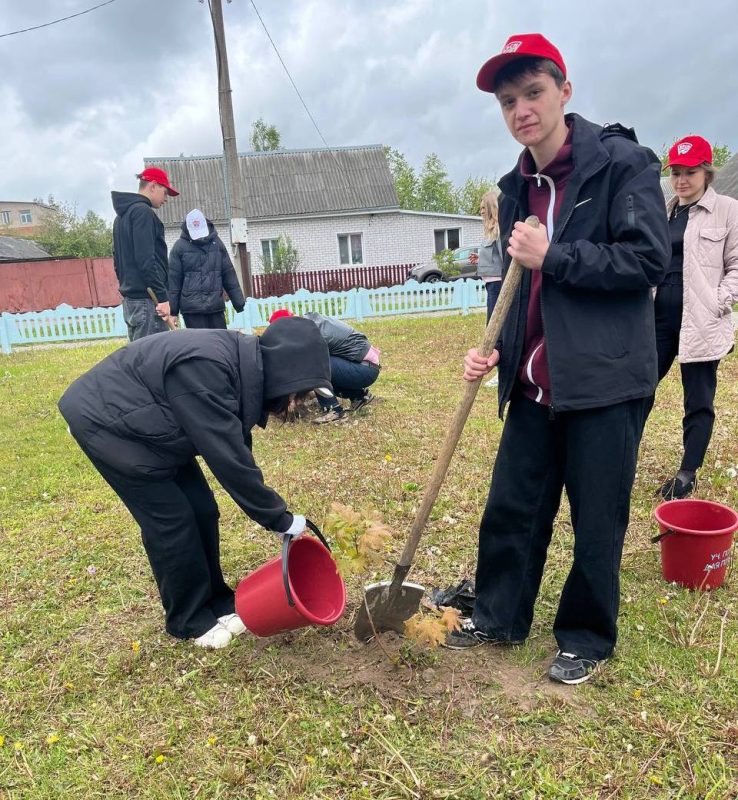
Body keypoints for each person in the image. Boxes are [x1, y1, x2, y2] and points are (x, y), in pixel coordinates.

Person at [445, 33, 670, 685]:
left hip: (605, 383)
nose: (521, 110)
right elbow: (522, 292)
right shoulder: (515, 188)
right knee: (512, 505)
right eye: (508, 100)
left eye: (533, 93)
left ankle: (587, 636)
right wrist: (494, 351)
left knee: (596, 516)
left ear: (564, 91)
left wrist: (558, 256)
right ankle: (498, 613)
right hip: (536, 385)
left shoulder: (622, 165)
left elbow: (648, 260)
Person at [58, 317, 333, 649]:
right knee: (172, 521)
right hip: (108, 424)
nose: (294, 404)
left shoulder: (238, 365)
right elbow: (226, 456)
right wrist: (278, 518)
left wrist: (274, 515)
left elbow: (233, 443)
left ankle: (217, 600)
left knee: (202, 509)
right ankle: (188, 620)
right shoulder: (206, 368)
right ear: (285, 372)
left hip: (152, 425)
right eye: (296, 396)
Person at [644, 136, 738, 499]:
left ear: (707, 172)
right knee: (640, 384)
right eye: (678, 173)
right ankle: (620, 453)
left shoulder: (728, 210)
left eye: (691, 172)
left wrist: (720, 300)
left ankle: (687, 471)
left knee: (698, 395)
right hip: (658, 312)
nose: (682, 180)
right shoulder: (665, 211)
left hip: (701, 314)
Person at [268, 309, 381, 424]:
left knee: (315, 368)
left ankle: (334, 411)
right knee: (318, 367)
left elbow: (306, 370)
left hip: (364, 370)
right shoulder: (309, 322)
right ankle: (358, 397)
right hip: (364, 366)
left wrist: (291, 398)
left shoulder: (308, 332)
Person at [112, 166, 179, 340]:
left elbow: (117, 262)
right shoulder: (143, 213)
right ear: (153, 186)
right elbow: (146, 260)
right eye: (165, 193)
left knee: (140, 359)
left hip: (132, 301)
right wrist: (162, 297)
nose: (166, 199)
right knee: (153, 361)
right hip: (148, 302)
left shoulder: (121, 217)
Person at [168, 209, 246, 330]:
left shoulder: (217, 244)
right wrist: (173, 311)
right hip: (192, 310)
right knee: (199, 345)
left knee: (220, 343)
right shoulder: (179, 248)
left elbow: (228, 273)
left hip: (215, 306)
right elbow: (174, 281)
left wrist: (239, 302)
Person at [474, 190, 504, 388]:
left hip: (498, 286)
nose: (481, 211)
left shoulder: (499, 230)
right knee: (492, 329)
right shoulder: (489, 230)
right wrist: (480, 259)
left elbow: (504, 260)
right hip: (490, 285)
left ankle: (502, 373)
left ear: (492, 207)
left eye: (483, 207)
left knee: (495, 330)